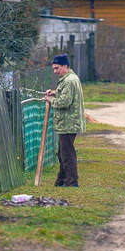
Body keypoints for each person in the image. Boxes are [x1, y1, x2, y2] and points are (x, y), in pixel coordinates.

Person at [44, 54, 86, 187]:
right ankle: (61, 180)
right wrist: (55, 92)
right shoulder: (70, 78)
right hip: (67, 122)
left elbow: (65, 102)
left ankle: (72, 182)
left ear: (65, 66)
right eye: (54, 69)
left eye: (57, 68)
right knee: (62, 153)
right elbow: (66, 94)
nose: (55, 71)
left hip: (68, 122)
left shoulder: (68, 80)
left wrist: (51, 100)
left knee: (67, 154)